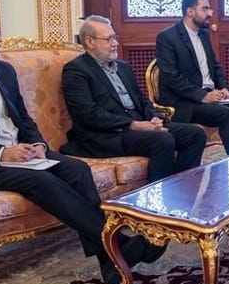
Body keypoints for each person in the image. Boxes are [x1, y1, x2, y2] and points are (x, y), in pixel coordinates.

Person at [0, 8, 161, 284]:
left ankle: (110, 265)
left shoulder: (3, 70)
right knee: (42, 180)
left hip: (24, 153)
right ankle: (116, 242)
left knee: (77, 169)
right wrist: (2, 153)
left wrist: (37, 144)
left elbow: (23, 118)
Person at [62, 15, 206, 183]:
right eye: (108, 39)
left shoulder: (123, 67)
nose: (115, 43)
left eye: (115, 37)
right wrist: (134, 125)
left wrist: (154, 118)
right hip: (106, 136)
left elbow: (141, 99)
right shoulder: (76, 71)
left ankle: (180, 187)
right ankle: (156, 197)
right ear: (90, 42)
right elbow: (88, 114)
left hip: (137, 126)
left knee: (195, 134)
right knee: (163, 140)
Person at [155, 0, 229, 157]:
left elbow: (215, 66)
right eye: (205, 9)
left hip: (210, 96)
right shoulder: (167, 37)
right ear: (190, 12)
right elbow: (172, 77)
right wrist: (203, 96)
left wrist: (223, 87)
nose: (210, 13)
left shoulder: (204, 35)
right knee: (227, 114)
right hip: (185, 102)